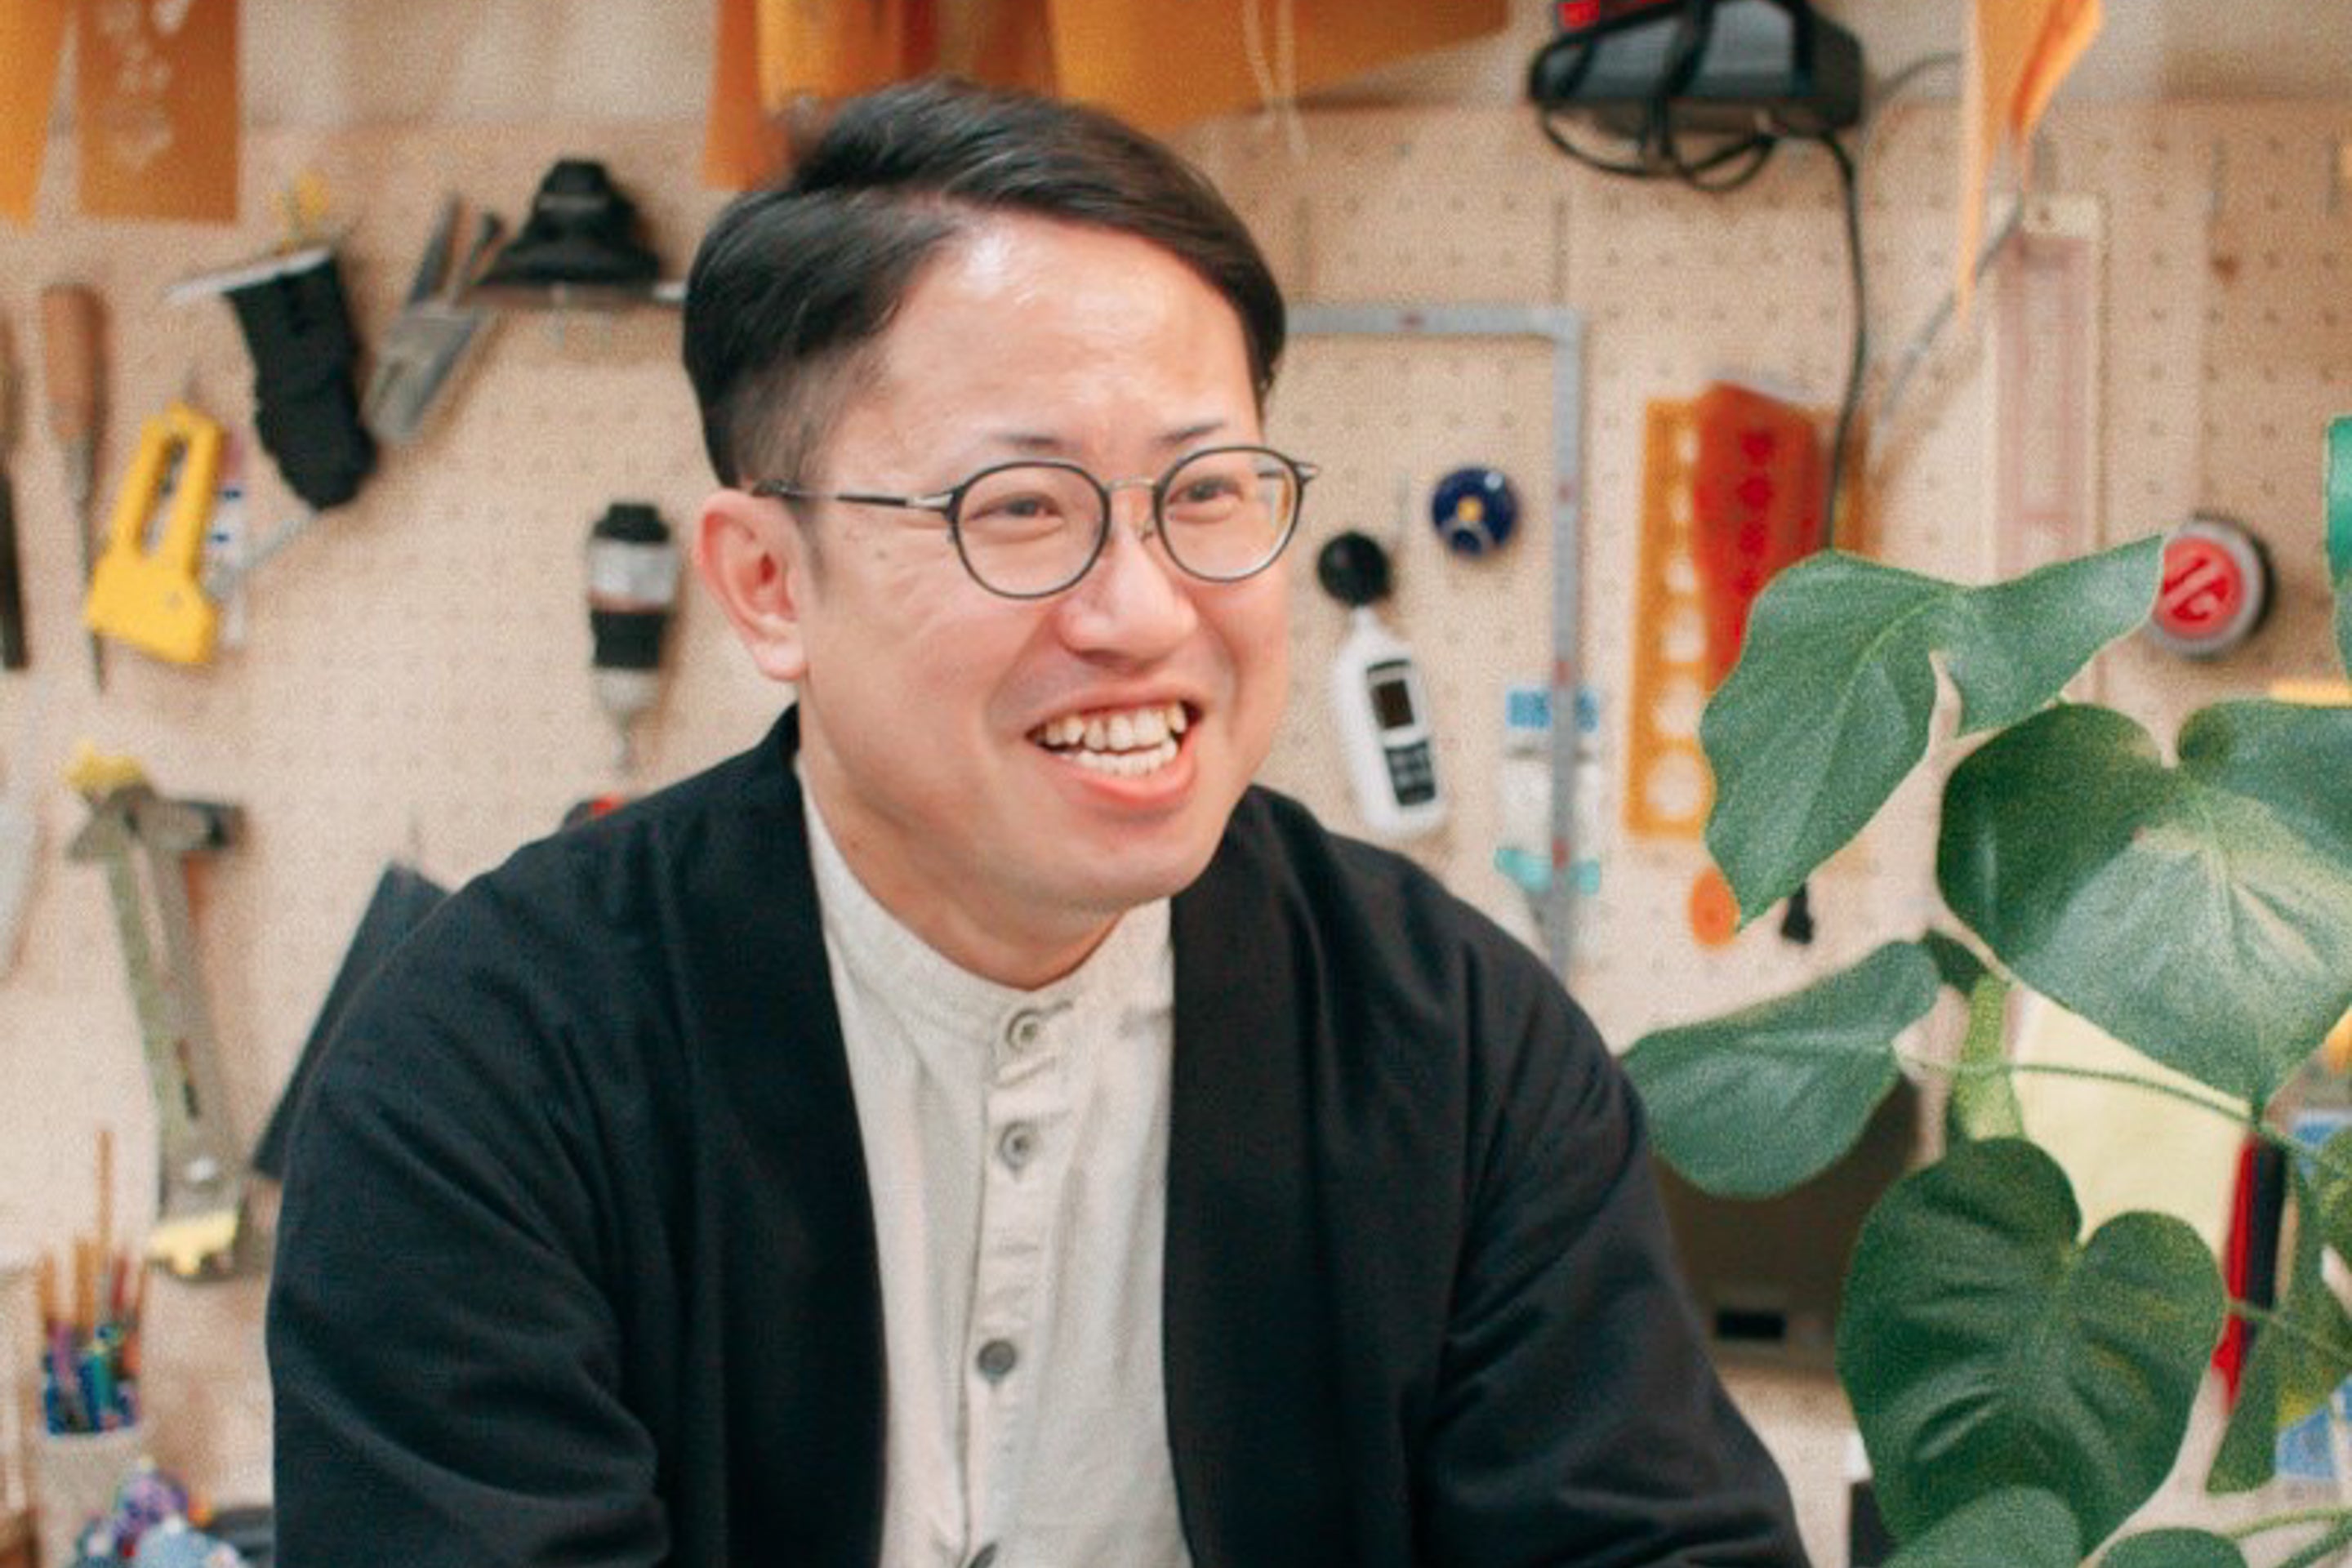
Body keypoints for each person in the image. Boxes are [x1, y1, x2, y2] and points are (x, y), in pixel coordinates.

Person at [267, 78, 1806, 1568]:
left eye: (1206, 493)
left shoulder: (1457, 1044)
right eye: (1019, 509)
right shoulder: (490, 1064)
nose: (1144, 612)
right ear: (768, 583)